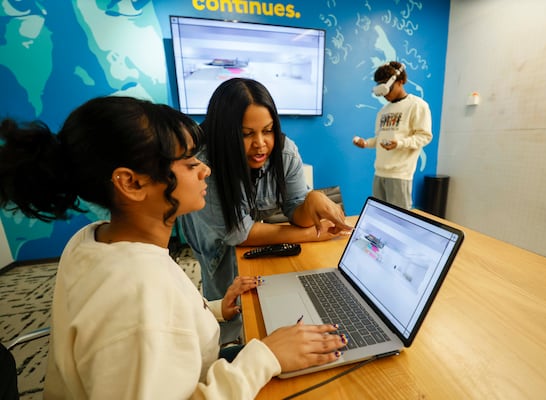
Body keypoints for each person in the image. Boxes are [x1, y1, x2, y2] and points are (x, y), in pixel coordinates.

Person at [0, 96, 347, 399]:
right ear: (131, 183)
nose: (205, 170)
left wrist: (210, 309)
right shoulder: (137, 296)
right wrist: (266, 357)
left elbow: (158, 326)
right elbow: (147, 323)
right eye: (190, 162)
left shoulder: (96, 238)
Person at [179, 78, 353, 344]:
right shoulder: (205, 165)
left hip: (253, 247)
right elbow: (240, 233)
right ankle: (227, 347)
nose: (260, 144)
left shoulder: (285, 152)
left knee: (264, 308)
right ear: (225, 132)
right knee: (227, 310)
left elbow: (295, 208)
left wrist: (311, 201)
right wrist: (313, 235)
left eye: (268, 131)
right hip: (216, 248)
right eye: (247, 134)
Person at [353, 61, 433, 209]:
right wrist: (366, 143)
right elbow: (380, 138)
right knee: (379, 216)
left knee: (399, 221)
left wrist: (400, 143)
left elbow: (425, 136)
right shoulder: (383, 110)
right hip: (379, 173)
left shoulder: (416, 105)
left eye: (388, 88)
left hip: (400, 174)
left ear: (401, 81)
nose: (385, 94)